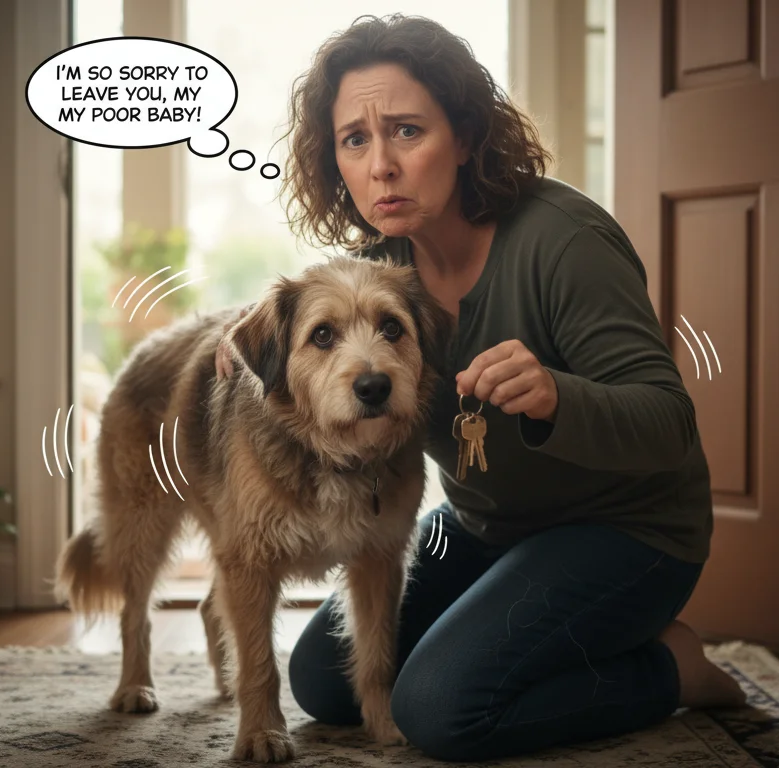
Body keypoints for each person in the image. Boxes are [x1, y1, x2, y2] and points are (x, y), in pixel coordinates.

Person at [215, 13, 745, 763]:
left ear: (465, 136)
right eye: (354, 140)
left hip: (626, 531)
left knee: (440, 710)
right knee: (326, 683)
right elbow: (318, 328)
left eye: (406, 131)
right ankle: (543, 636)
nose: (381, 166)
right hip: (486, 527)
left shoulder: (566, 243)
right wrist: (243, 336)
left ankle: (671, 668)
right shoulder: (385, 263)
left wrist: (557, 395)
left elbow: (669, 424)